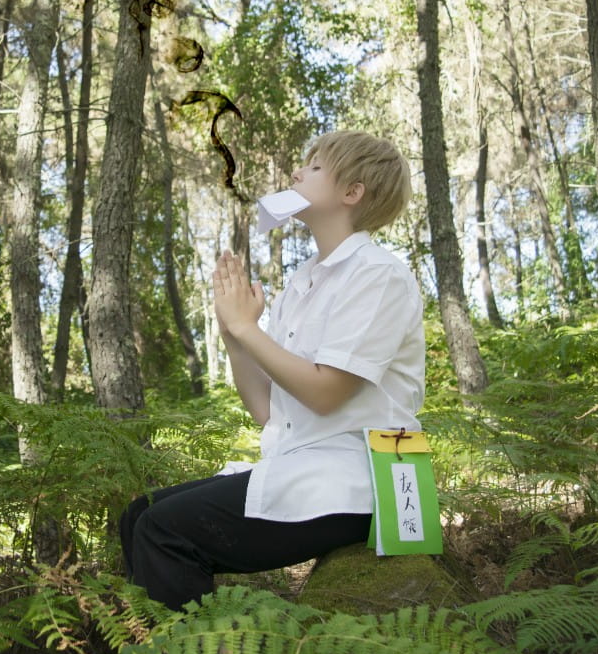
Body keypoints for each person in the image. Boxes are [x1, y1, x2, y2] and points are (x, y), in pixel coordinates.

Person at [119, 130, 425, 611]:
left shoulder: (377, 274)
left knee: (163, 532)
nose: (297, 173)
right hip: (302, 468)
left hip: (356, 481)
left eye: (316, 167)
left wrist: (248, 328)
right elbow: (268, 412)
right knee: (140, 514)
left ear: (352, 193)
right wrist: (235, 334)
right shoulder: (303, 282)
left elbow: (325, 395)